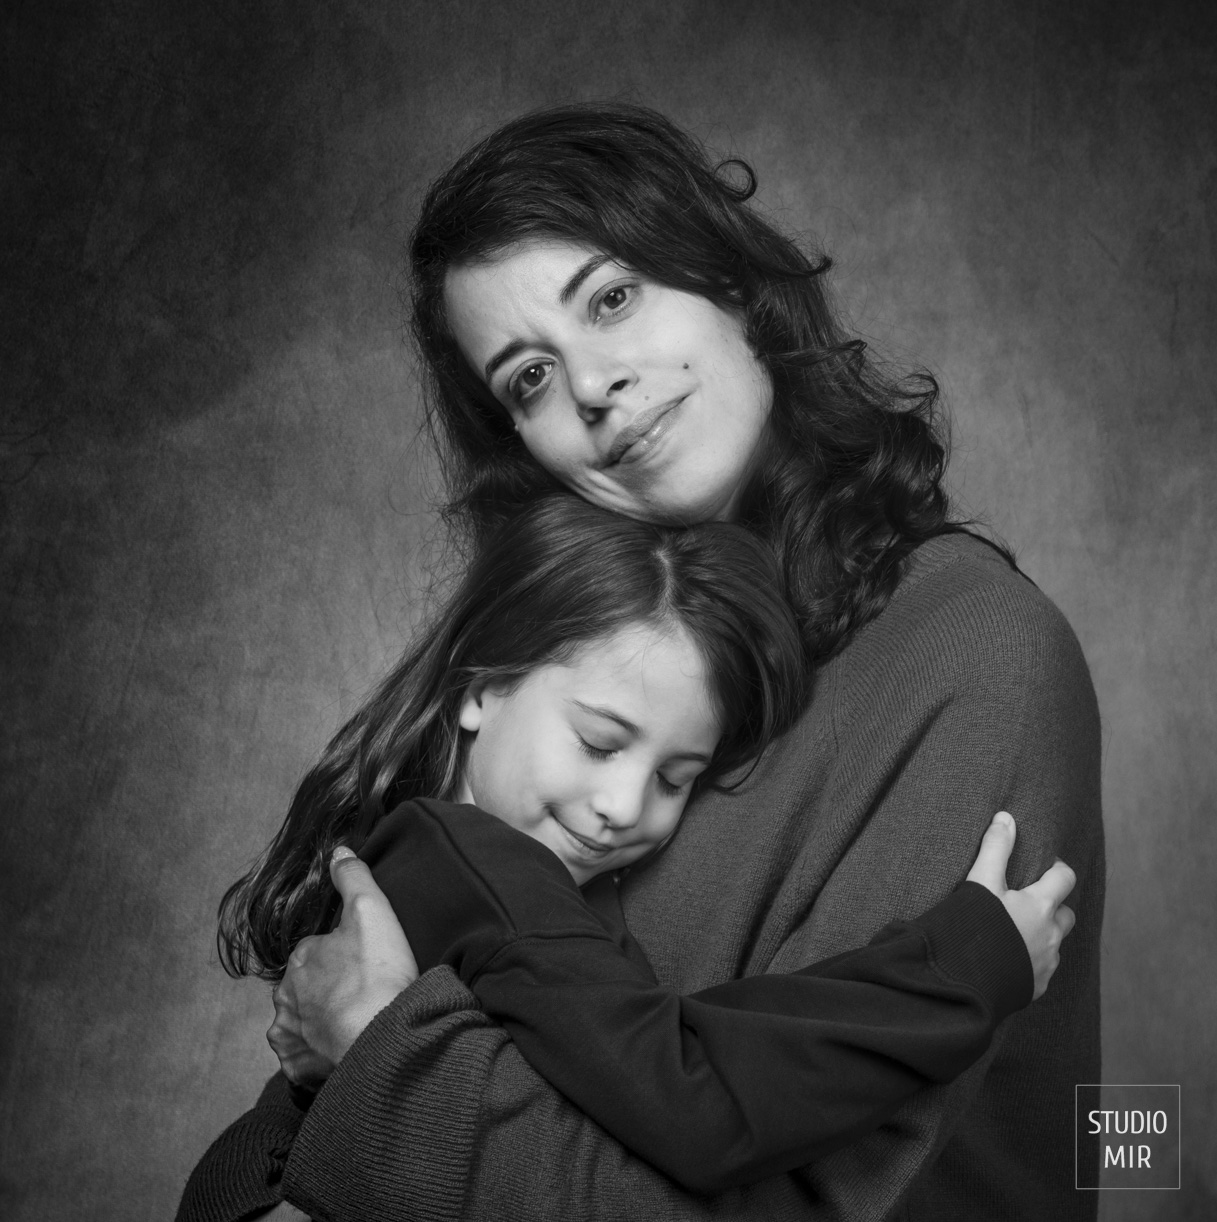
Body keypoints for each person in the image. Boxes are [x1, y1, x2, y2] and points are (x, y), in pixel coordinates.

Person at [192, 103, 1105, 1221]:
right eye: (528, 377)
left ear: (728, 287)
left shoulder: (972, 654)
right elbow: (284, 1134)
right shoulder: (582, 675)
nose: (591, 387)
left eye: (614, 299)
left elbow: (766, 1196)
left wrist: (381, 1064)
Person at [177, 498, 1075, 1220]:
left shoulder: (416, 849)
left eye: (675, 777)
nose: (622, 810)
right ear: (484, 687)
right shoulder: (497, 876)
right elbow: (696, 1099)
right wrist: (967, 967)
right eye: (600, 743)